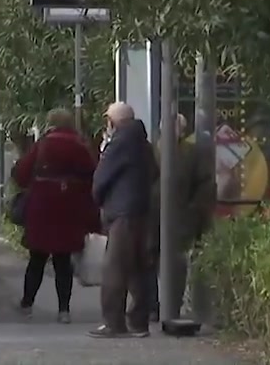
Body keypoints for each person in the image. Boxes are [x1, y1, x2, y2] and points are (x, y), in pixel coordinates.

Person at [12, 108, 99, 323]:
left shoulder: (42, 145)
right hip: (69, 209)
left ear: (50, 122)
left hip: (42, 209)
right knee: (63, 261)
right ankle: (64, 310)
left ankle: (27, 303)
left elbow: (22, 174)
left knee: (37, 259)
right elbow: (93, 174)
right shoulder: (80, 147)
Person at [90, 102, 156, 338]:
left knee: (114, 268)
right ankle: (139, 322)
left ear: (112, 121)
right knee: (139, 267)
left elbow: (102, 177)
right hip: (141, 210)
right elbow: (155, 172)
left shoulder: (119, 143)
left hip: (121, 211)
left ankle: (113, 322)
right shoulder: (143, 143)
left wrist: (98, 198)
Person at [146, 113, 213, 322]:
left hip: (180, 216)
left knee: (175, 264)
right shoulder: (150, 150)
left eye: (175, 127)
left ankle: (171, 308)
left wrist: (193, 211)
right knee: (149, 260)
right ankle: (152, 306)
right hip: (151, 215)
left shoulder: (190, 153)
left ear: (182, 131)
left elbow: (204, 185)